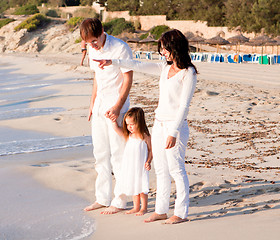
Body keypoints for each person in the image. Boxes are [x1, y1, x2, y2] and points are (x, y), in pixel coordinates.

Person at [94, 29, 197, 224]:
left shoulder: (188, 73)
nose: (162, 53)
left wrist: (173, 132)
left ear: (175, 47)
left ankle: (181, 213)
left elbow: (184, 106)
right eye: (161, 49)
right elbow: (138, 65)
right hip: (158, 124)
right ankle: (161, 210)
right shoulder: (164, 68)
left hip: (175, 127)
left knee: (176, 169)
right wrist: (113, 62)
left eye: (165, 49)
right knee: (161, 170)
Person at [80, 18, 134, 214]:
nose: (92, 45)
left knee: (118, 154)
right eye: (88, 43)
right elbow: (97, 78)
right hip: (100, 105)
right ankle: (102, 198)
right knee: (100, 154)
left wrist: (118, 107)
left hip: (117, 106)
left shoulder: (121, 48)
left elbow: (128, 79)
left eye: (94, 41)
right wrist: (92, 104)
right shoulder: (91, 48)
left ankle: (120, 200)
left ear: (103, 31)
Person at [111, 107, 152, 216]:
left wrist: (148, 161)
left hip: (141, 166)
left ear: (140, 122)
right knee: (134, 186)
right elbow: (117, 129)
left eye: (132, 124)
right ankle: (135, 207)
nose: (129, 127)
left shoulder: (145, 136)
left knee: (142, 187)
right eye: (127, 124)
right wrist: (113, 120)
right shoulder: (129, 135)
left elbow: (151, 150)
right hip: (131, 166)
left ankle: (144, 208)